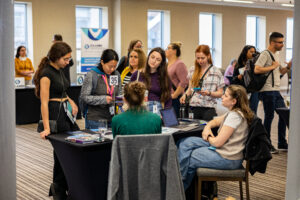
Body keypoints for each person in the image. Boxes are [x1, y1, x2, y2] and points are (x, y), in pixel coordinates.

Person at [177, 85, 254, 190]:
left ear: (234, 101)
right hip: (228, 153)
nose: (222, 96)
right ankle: (182, 187)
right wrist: (207, 127)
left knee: (188, 155)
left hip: (228, 159)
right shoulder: (235, 112)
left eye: (226, 96)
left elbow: (217, 143)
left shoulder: (234, 117)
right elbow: (216, 121)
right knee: (185, 142)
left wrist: (208, 136)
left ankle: (179, 188)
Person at [33, 42, 80, 199]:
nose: (68, 62)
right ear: (56, 57)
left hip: (65, 114)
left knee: (68, 152)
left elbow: (62, 91)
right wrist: (46, 128)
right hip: (55, 116)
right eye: (66, 59)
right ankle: (58, 189)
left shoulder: (60, 70)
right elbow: (44, 102)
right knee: (61, 155)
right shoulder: (46, 74)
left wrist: (71, 101)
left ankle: (63, 187)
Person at [254, 32, 292, 153]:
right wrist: (272, 66)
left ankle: (281, 142)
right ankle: (267, 144)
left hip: (276, 90)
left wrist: (289, 67)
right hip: (267, 91)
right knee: (269, 116)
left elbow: (281, 71)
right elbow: (257, 69)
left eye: (283, 42)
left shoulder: (276, 55)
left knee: (284, 114)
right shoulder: (265, 54)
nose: (282, 44)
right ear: (272, 42)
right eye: (280, 42)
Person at [180, 45, 224, 121]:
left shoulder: (216, 72)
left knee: (206, 130)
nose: (200, 61)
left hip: (209, 108)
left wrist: (209, 93)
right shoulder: (192, 70)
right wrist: (184, 96)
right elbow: (189, 89)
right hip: (193, 107)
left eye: (202, 58)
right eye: (198, 58)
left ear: (208, 56)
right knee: (193, 130)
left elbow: (220, 93)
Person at [80, 49, 121, 129]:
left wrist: (120, 100)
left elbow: (119, 92)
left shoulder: (116, 74)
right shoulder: (92, 75)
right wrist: (103, 99)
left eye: (115, 66)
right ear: (102, 62)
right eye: (110, 66)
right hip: (95, 119)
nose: (112, 69)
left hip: (112, 118)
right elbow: (84, 97)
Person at [130, 47, 172, 115]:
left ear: (161, 63)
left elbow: (168, 99)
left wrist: (165, 116)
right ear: (148, 57)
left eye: (158, 59)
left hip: (157, 110)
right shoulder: (136, 75)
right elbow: (129, 94)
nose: (154, 61)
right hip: (139, 109)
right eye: (152, 57)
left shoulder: (164, 78)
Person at [233, 45, 259, 114]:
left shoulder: (256, 63)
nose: (253, 53)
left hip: (253, 89)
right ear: (245, 53)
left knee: (253, 111)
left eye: (254, 52)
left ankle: (252, 124)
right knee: (241, 110)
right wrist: (238, 77)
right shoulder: (239, 64)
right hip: (242, 90)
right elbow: (233, 79)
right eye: (251, 52)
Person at [165, 42, 189, 117]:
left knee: (174, 122)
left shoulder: (179, 64)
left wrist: (175, 95)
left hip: (175, 99)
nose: (166, 50)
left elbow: (184, 81)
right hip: (167, 97)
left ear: (175, 51)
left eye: (168, 48)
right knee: (168, 121)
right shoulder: (166, 64)